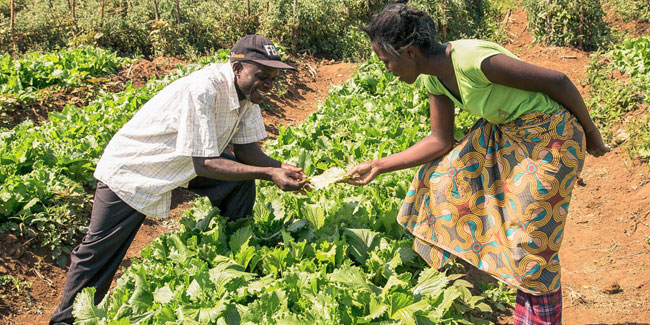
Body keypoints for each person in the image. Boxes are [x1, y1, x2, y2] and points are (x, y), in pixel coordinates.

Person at [344, 3, 609, 324]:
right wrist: (379, 165)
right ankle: (471, 273)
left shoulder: (473, 61)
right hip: (506, 133)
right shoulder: (434, 79)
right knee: (441, 179)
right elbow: (439, 141)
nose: (386, 69)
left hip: (552, 138)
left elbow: (558, 81)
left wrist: (591, 134)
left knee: (531, 245)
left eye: (386, 61)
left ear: (410, 52)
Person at [49, 34, 307, 324]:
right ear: (237, 68)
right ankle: (65, 321)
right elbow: (206, 162)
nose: (269, 85)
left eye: (274, 78)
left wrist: (282, 167)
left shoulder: (247, 94)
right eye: (263, 76)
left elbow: (246, 151)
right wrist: (270, 174)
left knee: (239, 180)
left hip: (179, 165)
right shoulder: (204, 89)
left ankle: (230, 256)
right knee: (99, 253)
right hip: (134, 169)